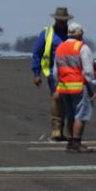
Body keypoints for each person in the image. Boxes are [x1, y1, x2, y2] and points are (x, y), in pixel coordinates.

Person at [54, 21, 96, 153]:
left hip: (64, 86)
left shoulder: (60, 47)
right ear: (79, 33)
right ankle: (77, 143)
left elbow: (55, 71)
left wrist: (58, 84)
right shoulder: (83, 48)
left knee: (70, 114)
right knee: (81, 115)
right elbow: (88, 71)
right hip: (79, 86)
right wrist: (93, 88)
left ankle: (70, 142)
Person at [31, 7, 72, 141]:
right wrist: (37, 74)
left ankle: (62, 130)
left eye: (64, 20)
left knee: (66, 101)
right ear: (55, 19)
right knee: (57, 97)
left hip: (71, 73)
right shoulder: (47, 33)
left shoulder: (72, 33)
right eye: (60, 20)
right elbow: (37, 53)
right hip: (53, 73)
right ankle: (56, 130)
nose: (62, 22)